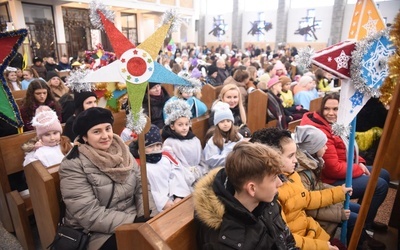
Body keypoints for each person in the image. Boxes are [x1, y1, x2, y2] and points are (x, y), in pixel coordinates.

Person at [60, 107, 157, 250]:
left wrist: (148, 216)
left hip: (133, 218)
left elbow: (142, 188)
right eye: (97, 131)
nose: (105, 136)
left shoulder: (123, 151)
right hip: (95, 231)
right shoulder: (73, 164)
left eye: (108, 128)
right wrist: (133, 222)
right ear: (85, 137)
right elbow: (87, 213)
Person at [300, 92, 390, 233]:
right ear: (321, 109)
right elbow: (332, 169)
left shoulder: (337, 124)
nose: (331, 113)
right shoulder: (321, 130)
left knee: (383, 174)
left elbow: (349, 147)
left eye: (335, 109)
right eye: (327, 109)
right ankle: (363, 227)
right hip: (330, 179)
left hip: (343, 167)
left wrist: (359, 161)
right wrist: (359, 168)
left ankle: (364, 218)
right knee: (379, 185)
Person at [250, 127, 352, 250]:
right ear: (272, 158)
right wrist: (322, 246)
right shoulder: (270, 193)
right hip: (300, 242)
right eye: (290, 156)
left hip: (311, 231)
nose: (295, 160)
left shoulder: (292, 176)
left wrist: (338, 192)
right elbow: (284, 237)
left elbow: (307, 198)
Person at [293, 125, 386, 249]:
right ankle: (359, 244)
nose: (326, 147)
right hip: (311, 212)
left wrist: (339, 191)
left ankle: (361, 237)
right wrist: (339, 213)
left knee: (359, 208)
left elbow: (318, 187)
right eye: (323, 145)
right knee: (354, 218)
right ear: (313, 149)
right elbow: (307, 206)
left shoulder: (312, 163)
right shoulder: (302, 173)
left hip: (319, 202)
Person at [194, 141, 299, 249]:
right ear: (252, 188)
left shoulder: (267, 202)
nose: (280, 183)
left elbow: (288, 243)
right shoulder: (222, 243)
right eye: (273, 179)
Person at [129, 124, 194, 212]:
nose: (155, 149)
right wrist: (164, 202)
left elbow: (176, 175)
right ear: (141, 149)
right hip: (160, 206)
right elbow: (145, 190)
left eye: (158, 145)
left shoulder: (166, 158)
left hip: (176, 199)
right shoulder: (140, 166)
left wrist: (178, 196)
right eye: (150, 146)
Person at [162, 99, 204, 178]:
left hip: (199, 173)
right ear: (172, 126)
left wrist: (201, 171)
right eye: (180, 125)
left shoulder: (195, 140)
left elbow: (202, 159)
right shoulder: (170, 142)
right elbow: (173, 163)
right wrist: (189, 175)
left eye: (186, 124)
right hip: (182, 177)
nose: (184, 128)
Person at [203, 104, 243, 170]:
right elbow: (211, 159)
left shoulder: (238, 136)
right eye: (222, 121)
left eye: (228, 121)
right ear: (217, 124)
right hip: (220, 170)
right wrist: (232, 157)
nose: (225, 124)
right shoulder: (213, 140)